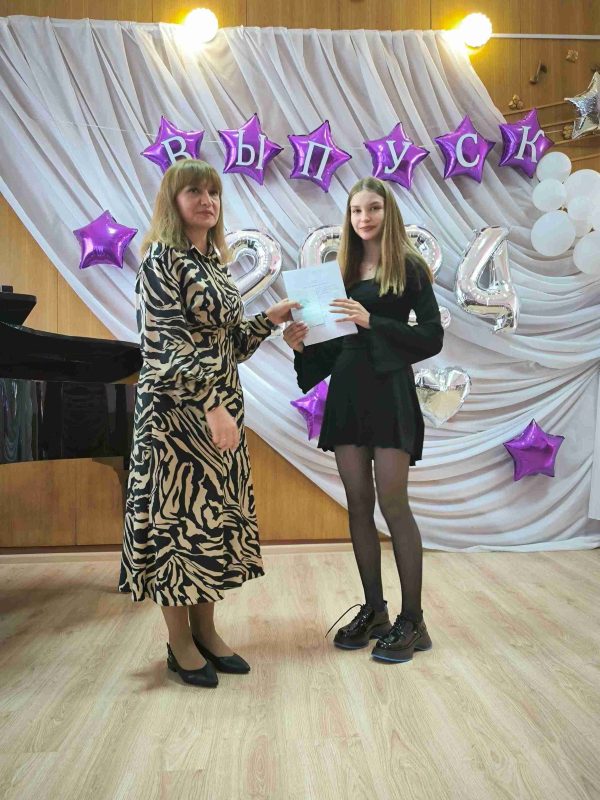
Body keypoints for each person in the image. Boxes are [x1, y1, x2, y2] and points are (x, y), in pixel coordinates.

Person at [119, 159, 298, 687]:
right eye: (194, 191)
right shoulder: (161, 259)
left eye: (213, 192)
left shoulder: (212, 263)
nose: (206, 200)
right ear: (172, 202)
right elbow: (166, 346)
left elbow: (226, 345)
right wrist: (212, 406)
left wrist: (269, 320)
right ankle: (179, 643)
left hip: (217, 407)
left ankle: (206, 631)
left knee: (209, 522)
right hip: (177, 417)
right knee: (177, 526)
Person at [283, 177, 444, 664]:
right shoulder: (340, 272)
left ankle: (413, 620)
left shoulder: (409, 267)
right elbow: (333, 344)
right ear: (348, 218)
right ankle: (375, 611)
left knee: (394, 505)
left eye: (373, 208)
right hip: (349, 393)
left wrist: (373, 320)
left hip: (390, 392)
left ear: (387, 212)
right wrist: (300, 346)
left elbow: (432, 336)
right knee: (357, 505)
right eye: (356, 211)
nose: (364, 218)